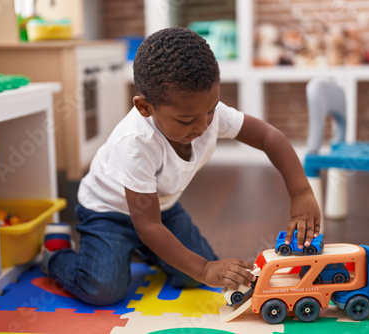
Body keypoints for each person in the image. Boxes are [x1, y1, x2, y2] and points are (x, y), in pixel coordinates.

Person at [41, 26, 321, 306]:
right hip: (108, 212)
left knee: (191, 277)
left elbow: (269, 136)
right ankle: (55, 253)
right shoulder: (136, 143)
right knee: (103, 290)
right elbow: (148, 225)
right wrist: (203, 269)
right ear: (145, 108)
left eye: (210, 110)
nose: (202, 126)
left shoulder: (205, 113)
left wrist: (301, 193)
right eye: (186, 121)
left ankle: (138, 250)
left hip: (161, 209)